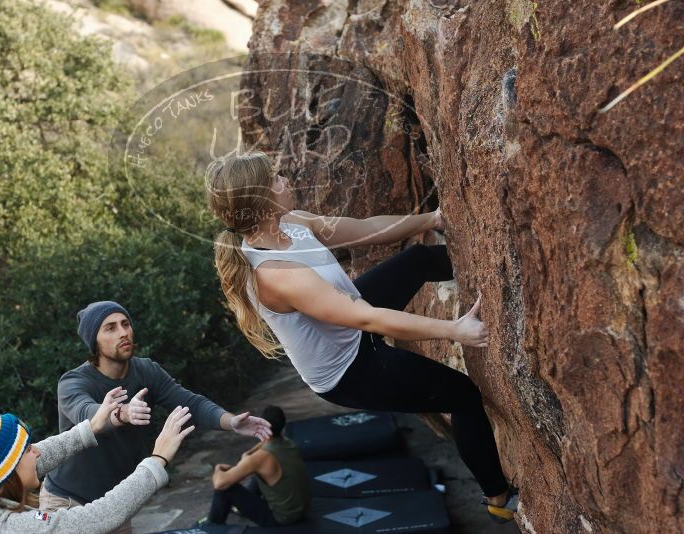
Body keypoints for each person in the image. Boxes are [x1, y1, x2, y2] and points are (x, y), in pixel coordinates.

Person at [205, 151, 519, 523]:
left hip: (351, 319)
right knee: (463, 396)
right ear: (261, 200)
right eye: (274, 178)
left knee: (418, 259)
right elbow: (366, 318)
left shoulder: (290, 223)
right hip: (349, 370)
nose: (284, 179)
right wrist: (455, 331)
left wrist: (433, 218)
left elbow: (365, 228)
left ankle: (488, 273)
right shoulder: (276, 274)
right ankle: (498, 497)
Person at [40, 301, 272, 534]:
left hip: (116, 502)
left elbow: (191, 403)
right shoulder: (74, 382)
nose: (123, 333)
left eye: (125, 324)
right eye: (110, 328)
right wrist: (122, 413)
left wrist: (230, 422)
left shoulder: (146, 372)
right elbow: (86, 414)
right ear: (94, 342)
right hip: (65, 501)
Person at [0, 387, 194, 534]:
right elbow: (97, 517)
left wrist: (90, 427)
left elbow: (35, 457)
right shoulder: (5, 529)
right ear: (5, 473)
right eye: (27, 450)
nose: (36, 452)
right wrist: (157, 459)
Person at [197, 405, 309, 527]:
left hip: (281, 519)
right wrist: (248, 455)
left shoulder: (259, 459)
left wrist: (218, 469)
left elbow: (219, 483)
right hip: (300, 511)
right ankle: (240, 511)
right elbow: (263, 445)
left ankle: (211, 527)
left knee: (225, 489)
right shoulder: (288, 443)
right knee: (259, 474)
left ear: (262, 425)